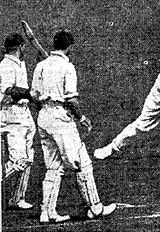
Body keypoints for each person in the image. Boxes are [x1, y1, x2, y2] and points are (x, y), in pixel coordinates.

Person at [31, 30, 116, 223]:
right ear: (69, 47)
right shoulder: (68, 67)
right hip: (61, 119)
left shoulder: (41, 66)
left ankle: (47, 213)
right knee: (82, 163)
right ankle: (95, 208)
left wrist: (47, 107)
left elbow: (34, 96)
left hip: (43, 117)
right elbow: (71, 100)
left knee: (54, 166)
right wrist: (82, 117)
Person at [0, 33, 36, 209]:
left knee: (29, 157)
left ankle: (17, 198)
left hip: (25, 114)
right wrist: (30, 93)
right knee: (19, 161)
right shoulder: (6, 65)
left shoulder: (20, 64)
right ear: (21, 47)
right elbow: (9, 90)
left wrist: (33, 99)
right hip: (11, 116)